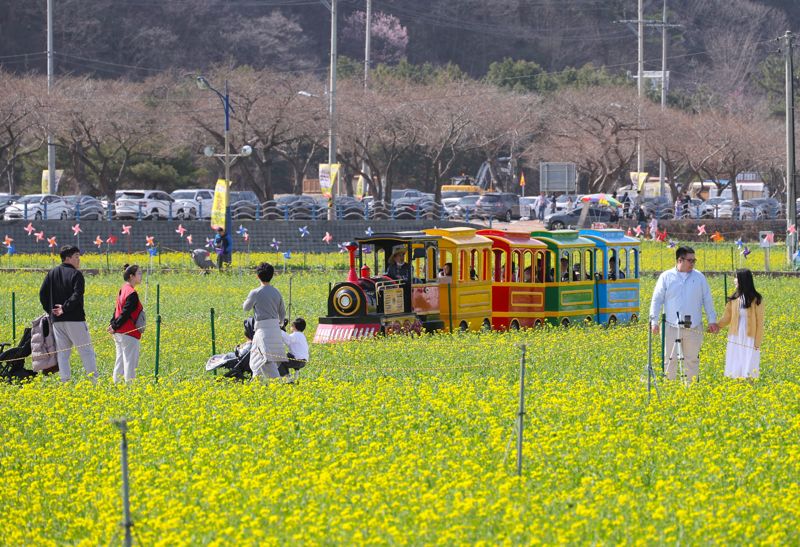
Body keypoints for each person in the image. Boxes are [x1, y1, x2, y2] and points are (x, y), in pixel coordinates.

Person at [649, 246, 719, 383]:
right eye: (690, 260)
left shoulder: (699, 277)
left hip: (693, 327)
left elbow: (708, 299)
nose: (693, 263)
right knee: (669, 359)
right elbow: (657, 300)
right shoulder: (666, 277)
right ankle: (670, 389)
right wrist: (654, 321)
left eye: (694, 260)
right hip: (670, 326)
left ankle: (691, 391)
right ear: (680, 260)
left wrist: (712, 320)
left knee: (692, 360)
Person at [39, 245, 98, 383]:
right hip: (75, 319)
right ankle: (94, 382)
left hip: (57, 321)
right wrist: (64, 308)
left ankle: (65, 381)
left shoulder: (51, 273)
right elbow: (77, 294)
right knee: (86, 351)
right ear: (68, 258)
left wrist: (51, 311)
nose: (79, 260)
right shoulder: (76, 274)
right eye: (76, 257)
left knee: (63, 353)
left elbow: (42, 294)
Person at [243, 262, 287, 381]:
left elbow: (246, 308)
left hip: (262, 331)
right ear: (272, 275)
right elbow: (282, 312)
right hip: (275, 329)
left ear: (257, 276)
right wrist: (280, 324)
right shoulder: (276, 292)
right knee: (255, 358)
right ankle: (256, 382)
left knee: (266, 360)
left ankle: (277, 384)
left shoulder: (255, 292)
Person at [717, 269, 764, 380]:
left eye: (736, 277)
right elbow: (727, 318)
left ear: (743, 280)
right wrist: (716, 326)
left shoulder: (757, 299)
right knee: (736, 363)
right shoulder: (734, 299)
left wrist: (757, 342)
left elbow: (760, 322)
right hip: (735, 336)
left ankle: (749, 387)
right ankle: (737, 387)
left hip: (750, 338)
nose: (734, 280)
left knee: (749, 364)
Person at [107, 264, 144, 383]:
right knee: (130, 362)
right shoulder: (132, 293)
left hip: (119, 332)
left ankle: (116, 383)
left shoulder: (123, 289)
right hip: (128, 332)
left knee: (120, 361)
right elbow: (125, 313)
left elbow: (117, 310)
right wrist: (115, 325)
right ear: (131, 276)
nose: (141, 276)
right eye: (139, 273)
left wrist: (113, 324)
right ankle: (129, 386)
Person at [279, 317, 309, 382]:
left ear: (294, 326)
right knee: (287, 355)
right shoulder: (302, 336)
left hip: (296, 360)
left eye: (291, 325)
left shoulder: (295, 335)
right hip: (303, 361)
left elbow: (287, 339)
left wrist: (280, 330)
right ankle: (295, 377)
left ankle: (287, 377)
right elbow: (288, 338)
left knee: (279, 359)